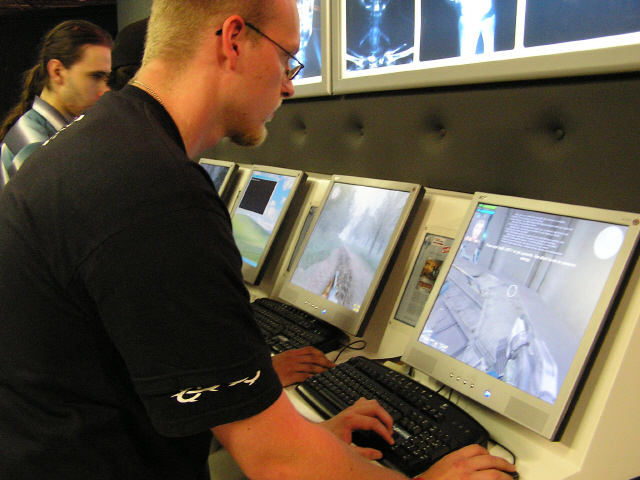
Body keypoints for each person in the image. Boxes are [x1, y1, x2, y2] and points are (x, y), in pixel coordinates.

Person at [0, 1, 517, 479]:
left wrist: (306, 438)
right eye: (287, 59)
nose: (289, 87)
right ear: (233, 40)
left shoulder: (105, 143)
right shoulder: (153, 191)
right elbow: (277, 462)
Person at [0, 20, 113, 188]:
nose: (106, 89)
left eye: (107, 78)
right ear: (57, 72)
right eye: (96, 76)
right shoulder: (34, 146)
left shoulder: (57, 134)